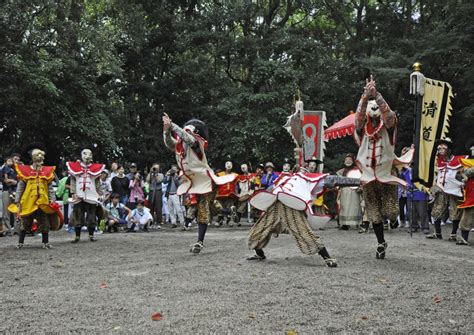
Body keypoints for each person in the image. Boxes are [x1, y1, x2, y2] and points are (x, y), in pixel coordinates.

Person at [354, 76, 412, 259]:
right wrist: (365, 97)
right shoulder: (362, 130)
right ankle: (381, 243)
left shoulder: (388, 128)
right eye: (371, 106)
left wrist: (376, 95)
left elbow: (388, 117)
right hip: (368, 177)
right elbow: (358, 118)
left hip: (387, 175)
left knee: (391, 212)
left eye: (375, 106)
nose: (373, 109)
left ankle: (393, 222)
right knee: (374, 215)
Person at [163, 113, 236, 253]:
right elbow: (169, 143)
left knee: (202, 209)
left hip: (207, 181)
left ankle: (199, 242)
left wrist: (172, 126)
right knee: (210, 207)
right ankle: (228, 211)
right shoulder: (181, 147)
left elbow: (187, 137)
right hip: (196, 183)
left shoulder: (197, 144)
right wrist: (166, 130)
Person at [247, 169, 349, 267]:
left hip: (293, 206)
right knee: (259, 229)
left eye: (305, 170)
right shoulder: (283, 178)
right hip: (276, 204)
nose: (302, 170)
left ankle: (327, 258)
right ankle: (259, 254)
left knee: (303, 231)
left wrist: (358, 181)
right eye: (301, 169)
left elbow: (334, 180)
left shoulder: (309, 179)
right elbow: (269, 191)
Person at [14, 147, 60, 249]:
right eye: (38, 156)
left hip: (43, 202)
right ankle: (20, 243)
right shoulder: (25, 171)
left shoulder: (47, 171)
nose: (40, 158)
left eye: (42, 156)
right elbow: (20, 187)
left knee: (44, 222)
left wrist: (52, 199)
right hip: (28, 201)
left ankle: (45, 243)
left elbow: (50, 188)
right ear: (33, 158)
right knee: (25, 222)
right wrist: (17, 200)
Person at [426, 138, 467, 241]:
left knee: (455, 211)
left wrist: (462, 180)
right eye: (439, 148)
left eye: (443, 147)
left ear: (449, 150)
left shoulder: (459, 160)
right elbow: (437, 175)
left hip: (454, 190)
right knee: (437, 210)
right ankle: (437, 233)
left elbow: (464, 174)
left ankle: (453, 234)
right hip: (441, 189)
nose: (440, 150)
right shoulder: (438, 161)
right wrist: (434, 187)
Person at [67, 149, 106, 243]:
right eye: (84, 154)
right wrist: (73, 193)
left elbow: (97, 182)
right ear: (81, 155)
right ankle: (77, 236)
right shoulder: (74, 167)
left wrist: (100, 193)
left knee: (92, 216)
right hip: (79, 195)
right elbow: (73, 181)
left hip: (91, 195)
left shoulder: (95, 168)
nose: (87, 156)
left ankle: (91, 235)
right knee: (77, 215)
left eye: (89, 154)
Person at [336, 154, 363, 230]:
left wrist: (360, 188)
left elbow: (361, 180)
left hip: (354, 191)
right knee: (344, 207)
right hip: (344, 191)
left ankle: (357, 223)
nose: (348, 161)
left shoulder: (357, 170)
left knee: (355, 207)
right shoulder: (341, 171)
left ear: (353, 161)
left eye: (350, 160)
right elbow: (338, 181)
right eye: (346, 160)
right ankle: (344, 224)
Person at [457, 140, 474, 245]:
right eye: (472, 147)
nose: (472, 149)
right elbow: (461, 174)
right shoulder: (467, 162)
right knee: (468, 213)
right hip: (470, 191)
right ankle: (464, 237)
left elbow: (468, 173)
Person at [216, 161, 238, 226]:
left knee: (230, 208)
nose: (229, 168)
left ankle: (230, 220)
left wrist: (236, 193)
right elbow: (216, 184)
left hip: (230, 194)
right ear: (225, 167)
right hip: (221, 193)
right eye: (227, 166)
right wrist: (216, 193)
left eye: (230, 167)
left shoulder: (234, 175)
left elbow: (236, 185)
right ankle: (220, 220)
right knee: (220, 208)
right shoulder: (220, 174)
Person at [1, 156, 17, 235]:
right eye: (15, 159)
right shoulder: (4, 168)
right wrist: (12, 181)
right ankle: (7, 230)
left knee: (14, 210)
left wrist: (14, 182)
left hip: (14, 191)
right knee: (6, 211)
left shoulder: (14, 169)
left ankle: (15, 230)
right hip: (6, 191)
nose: (14, 161)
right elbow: (5, 180)